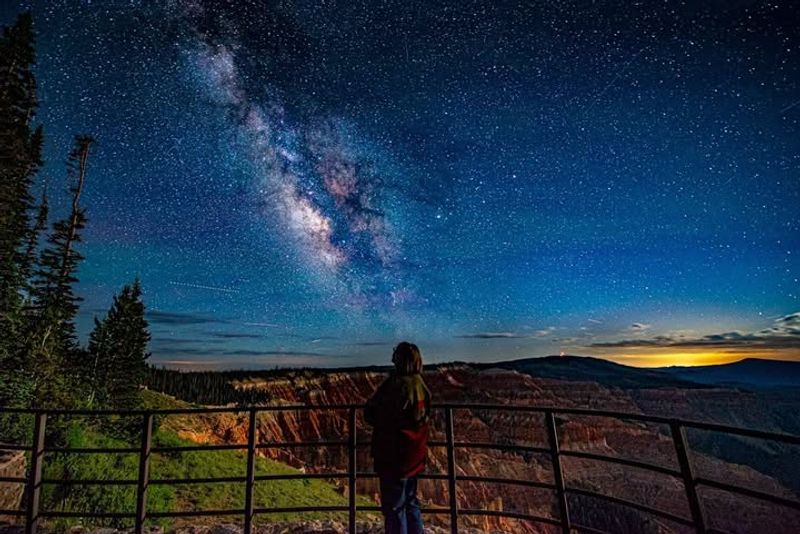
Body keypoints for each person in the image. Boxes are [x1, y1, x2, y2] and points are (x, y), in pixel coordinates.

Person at [364, 341, 432, 534]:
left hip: (394, 455)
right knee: (410, 502)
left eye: (395, 357)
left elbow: (374, 414)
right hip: (414, 454)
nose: (392, 360)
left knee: (394, 508)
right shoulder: (420, 385)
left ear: (401, 360)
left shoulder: (396, 385)